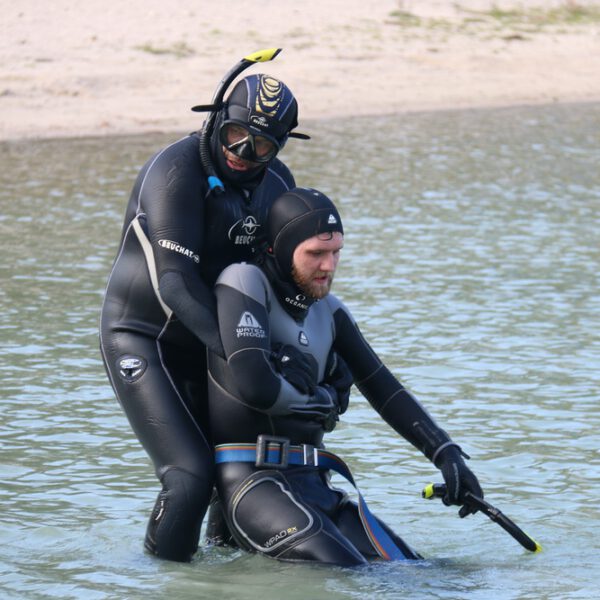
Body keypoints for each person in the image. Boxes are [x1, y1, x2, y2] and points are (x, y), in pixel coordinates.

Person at [99, 56, 310, 562]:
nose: (242, 153)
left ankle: (224, 581)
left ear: (281, 146)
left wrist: (315, 360)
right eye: (236, 135)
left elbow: (284, 283)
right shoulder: (174, 171)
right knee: (190, 477)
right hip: (144, 336)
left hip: (216, 342)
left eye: (262, 146)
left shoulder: (277, 185)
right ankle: (164, 582)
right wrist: (244, 358)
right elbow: (174, 284)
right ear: (216, 119)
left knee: (240, 472)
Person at [207, 187, 484, 566]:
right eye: (316, 254)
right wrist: (322, 400)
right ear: (278, 248)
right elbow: (256, 387)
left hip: (314, 483)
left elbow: (385, 389)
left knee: (423, 572)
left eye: (336, 252)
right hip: (252, 484)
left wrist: (447, 454)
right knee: (352, 575)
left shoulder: (330, 312)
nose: (329, 266)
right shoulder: (244, 281)